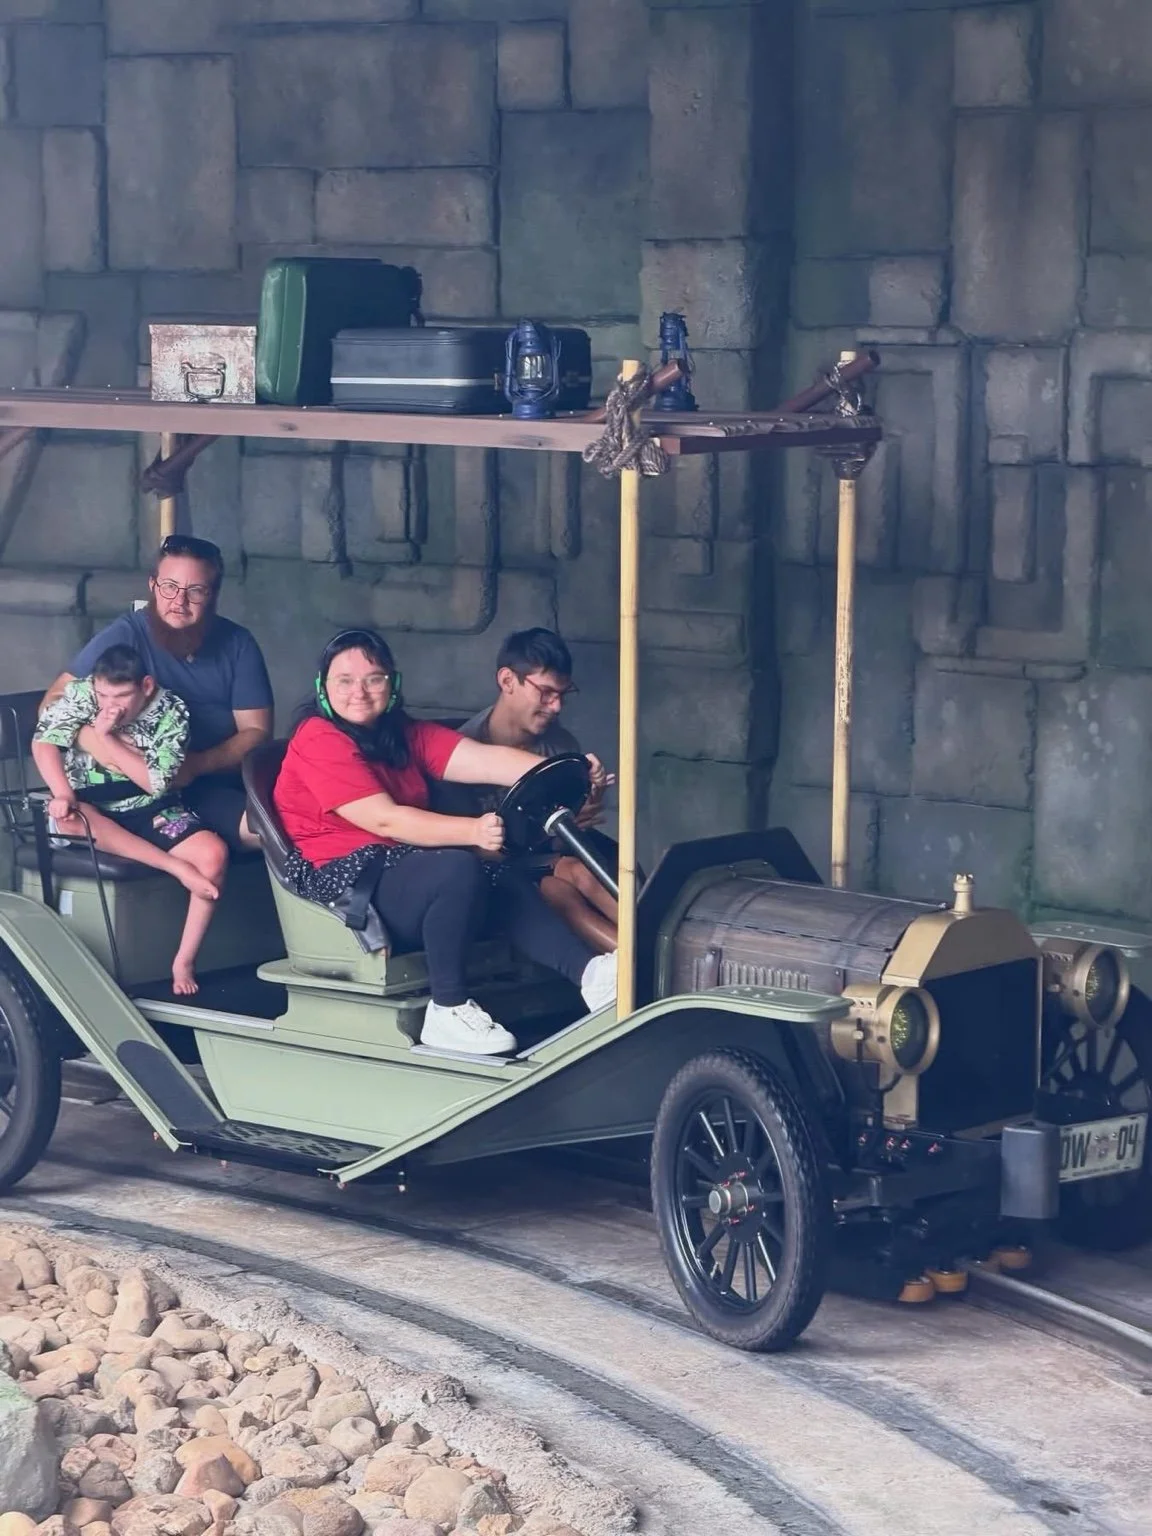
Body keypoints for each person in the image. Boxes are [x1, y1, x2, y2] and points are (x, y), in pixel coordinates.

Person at [272, 628, 617, 1056]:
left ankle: (591, 975)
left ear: (392, 684)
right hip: (346, 880)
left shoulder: (401, 732)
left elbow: (484, 760)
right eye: (344, 681)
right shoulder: (318, 739)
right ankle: (447, 1008)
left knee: (501, 875)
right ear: (323, 687)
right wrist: (471, 831)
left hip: (399, 864)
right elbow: (384, 818)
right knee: (458, 866)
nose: (359, 692)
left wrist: (568, 769)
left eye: (373, 679)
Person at [41, 534, 273, 853]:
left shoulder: (238, 643)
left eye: (196, 590)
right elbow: (52, 702)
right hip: (132, 792)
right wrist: (96, 740)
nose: (179, 601)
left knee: (268, 832)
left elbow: (257, 731)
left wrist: (196, 765)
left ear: (213, 594)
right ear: (152, 585)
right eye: (169, 587)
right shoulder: (127, 633)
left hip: (206, 783)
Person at [32, 644, 228, 996]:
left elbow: (154, 783)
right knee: (72, 821)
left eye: (122, 696)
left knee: (212, 855)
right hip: (91, 807)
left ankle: (184, 960)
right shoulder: (83, 694)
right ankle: (174, 867)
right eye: (103, 695)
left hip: (151, 806)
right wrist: (62, 793)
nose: (111, 706)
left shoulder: (170, 709)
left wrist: (106, 737)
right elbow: (44, 742)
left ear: (146, 686)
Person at [451, 628, 619, 953]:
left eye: (562, 695)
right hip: (488, 868)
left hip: (547, 858)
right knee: (567, 880)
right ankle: (639, 962)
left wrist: (590, 798)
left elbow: (570, 824)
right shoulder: (461, 751)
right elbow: (463, 846)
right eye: (545, 693)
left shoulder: (559, 744)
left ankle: (648, 950)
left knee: (586, 873)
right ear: (507, 681)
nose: (556, 706)